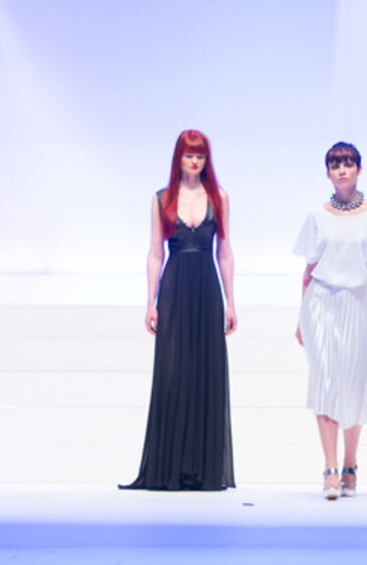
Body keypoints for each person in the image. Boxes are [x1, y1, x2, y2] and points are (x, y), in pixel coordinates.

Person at [121, 128, 237, 490]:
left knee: (205, 372)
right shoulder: (162, 199)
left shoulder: (218, 197)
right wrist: (150, 302)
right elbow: (155, 253)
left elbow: (224, 252)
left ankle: (200, 470)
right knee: (173, 374)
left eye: (200, 155)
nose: (195, 161)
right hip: (174, 288)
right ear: (179, 158)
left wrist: (231, 301)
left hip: (206, 289)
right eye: (189, 155)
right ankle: (169, 467)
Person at [293, 141, 367, 499]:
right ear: (327, 172)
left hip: (355, 302)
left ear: (359, 170)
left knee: (353, 382)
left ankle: (351, 463)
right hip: (320, 303)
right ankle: (330, 468)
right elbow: (308, 270)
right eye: (335, 164)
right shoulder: (316, 216)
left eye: (348, 164)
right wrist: (301, 318)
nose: (341, 170)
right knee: (325, 381)